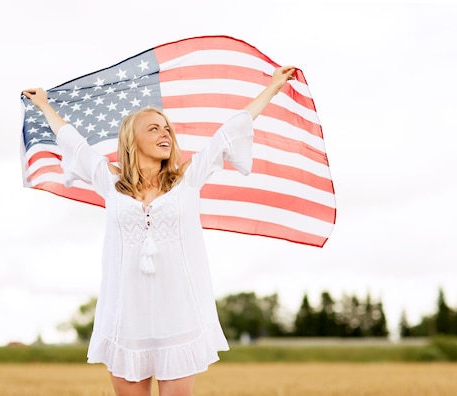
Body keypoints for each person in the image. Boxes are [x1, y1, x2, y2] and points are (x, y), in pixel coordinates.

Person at [22, 65, 296, 396]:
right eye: (154, 129)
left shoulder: (188, 180)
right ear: (131, 139)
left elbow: (230, 131)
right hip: (126, 321)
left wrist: (272, 88)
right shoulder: (110, 183)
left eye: (167, 129)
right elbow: (74, 144)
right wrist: (45, 106)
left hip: (177, 319)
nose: (165, 134)